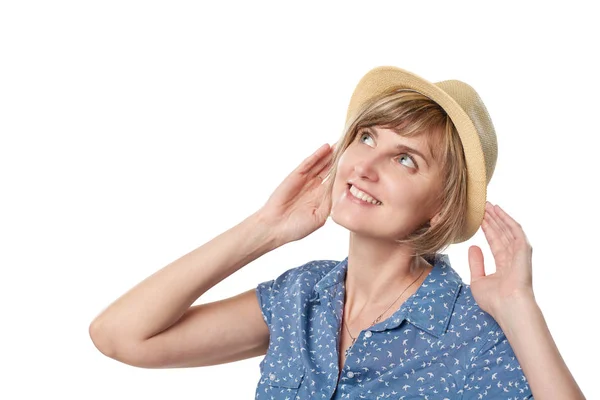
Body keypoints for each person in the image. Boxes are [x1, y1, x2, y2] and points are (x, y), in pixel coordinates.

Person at [89, 66, 585, 399]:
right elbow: (120, 337)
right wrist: (266, 229)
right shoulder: (303, 296)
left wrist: (521, 309)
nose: (364, 165)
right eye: (367, 137)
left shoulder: (473, 332)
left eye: (405, 159)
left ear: (440, 209)